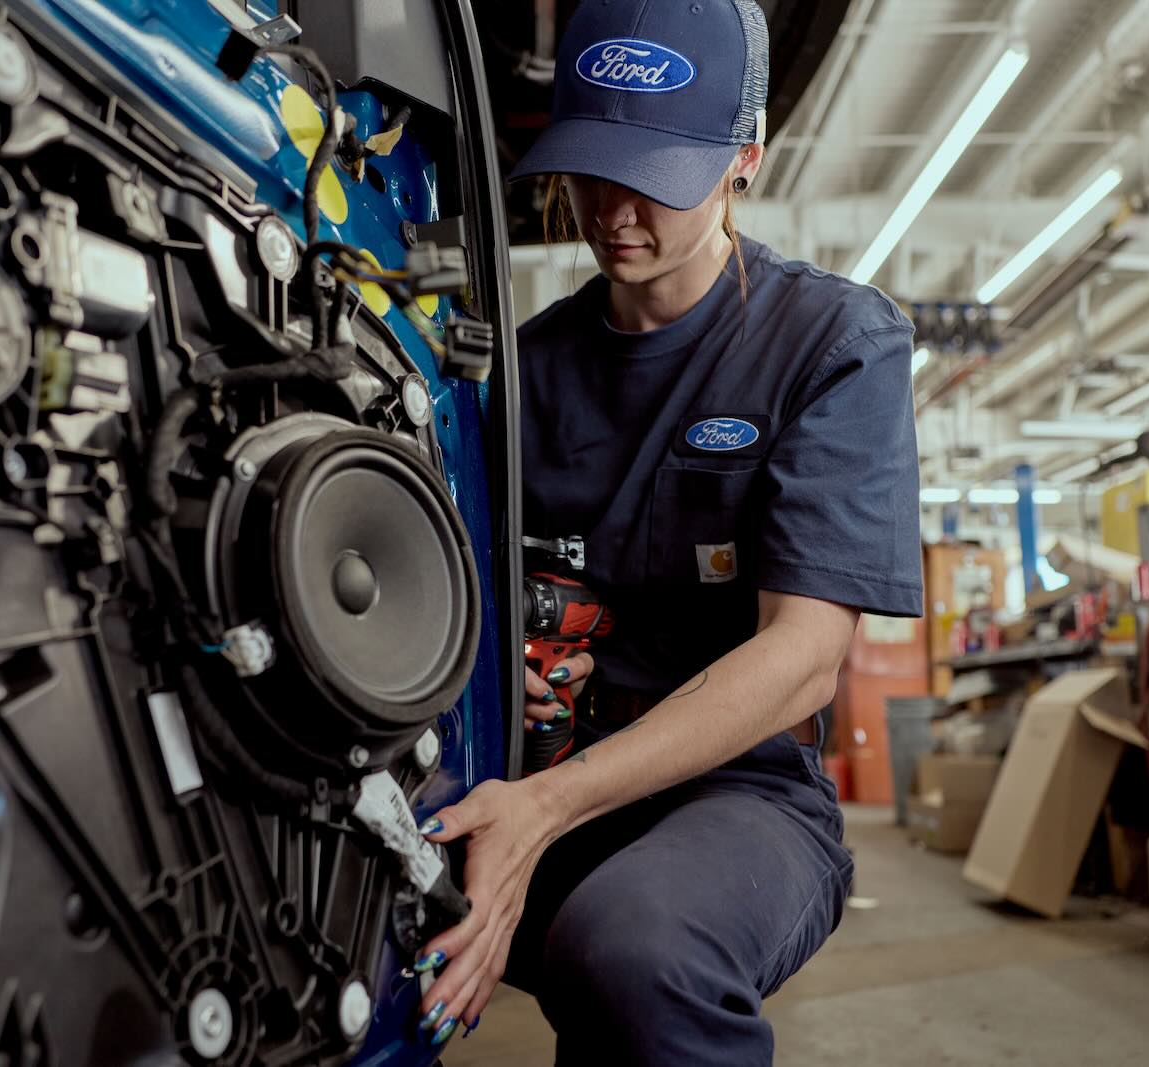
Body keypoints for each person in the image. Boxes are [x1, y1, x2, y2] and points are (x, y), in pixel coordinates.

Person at [410, 0, 923, 1061]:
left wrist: (545, 808)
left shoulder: (831, 340)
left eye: (656, 173)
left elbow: (798, 663)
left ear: (746, 153)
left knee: (635, 947)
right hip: (544, 758)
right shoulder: (521, 373)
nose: (615, 211)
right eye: (593, 167)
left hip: (741, 785)